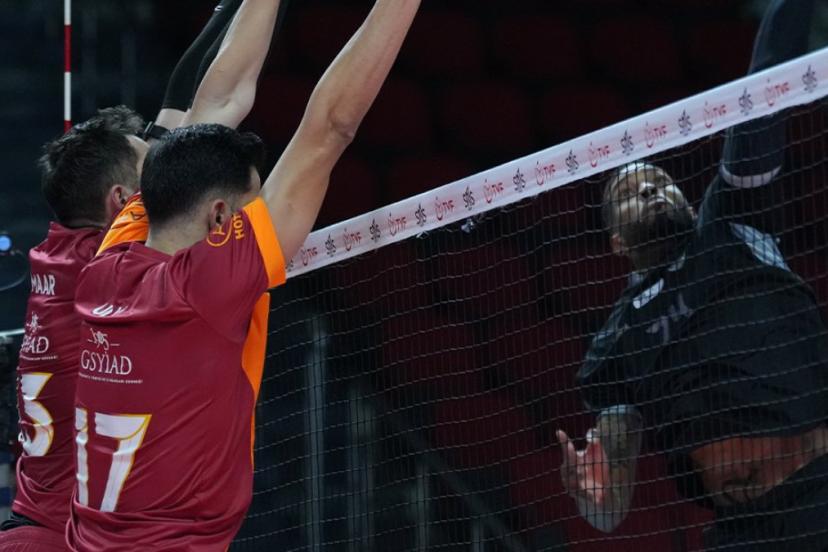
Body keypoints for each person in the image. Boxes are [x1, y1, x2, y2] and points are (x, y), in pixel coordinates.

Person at [68, 1, 421, 549]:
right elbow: (331, 128)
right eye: (251, 206)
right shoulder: (208, 285)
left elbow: (214, 103)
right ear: (220, 217)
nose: (259, 215)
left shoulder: (111, 257)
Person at [0, 1, 283, 549]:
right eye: (148, 168)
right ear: (122, 199)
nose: (161, 170)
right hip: (65, 539)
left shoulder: (60, 255)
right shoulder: (110, 271)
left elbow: (182, 102)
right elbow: (215, 103)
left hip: (33, 527)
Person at [557, 0, 828, 549]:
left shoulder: (732, 221)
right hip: (745, 530)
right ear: (616, 242)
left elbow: (762, 98)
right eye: (630, 193)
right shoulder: (617, 342)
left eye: (661, 182)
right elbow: (611, 505)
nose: (651, 189)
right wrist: (594, 500)